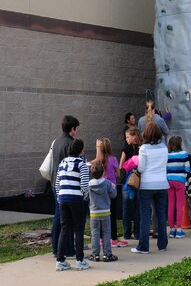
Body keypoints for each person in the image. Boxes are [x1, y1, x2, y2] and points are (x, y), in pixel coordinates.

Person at [131, 122, 169, 254]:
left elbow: (141, 168)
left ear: (145, 134)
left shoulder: (144, 148)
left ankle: (144, 246)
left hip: (147, 185)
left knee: (145, 216)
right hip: (162, 184)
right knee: (161, 215)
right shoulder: (164, 147)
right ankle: (162, 244)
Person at [55, 139, 90, 271]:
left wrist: (59, 197)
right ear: (81, 150)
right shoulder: (82, 164)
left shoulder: (62, 162)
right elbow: (85, 185)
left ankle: (60, 260)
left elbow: (57, 183)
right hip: (76, 199)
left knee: (64, 228)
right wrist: (84, 196)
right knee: (78, 229)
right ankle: (80, 260)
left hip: (63, 198)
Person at [90, 137, 128, 248]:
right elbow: (118, 174)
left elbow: (93, 162)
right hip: (112, 189)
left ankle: (101, 238)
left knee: (101, 213)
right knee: (112, 214)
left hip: (101, 191)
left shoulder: (98, 161)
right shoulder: (113, 159)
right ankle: (113, 238)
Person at [51, 115, 79, 257]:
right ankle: (67, 250)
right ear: (72, 129)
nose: (77, 131)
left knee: (59, 216)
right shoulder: (70, 143)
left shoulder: (56, 141)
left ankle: (56, 248)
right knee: (67, 220)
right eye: (76, 129)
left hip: (56, 181)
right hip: (66, 184)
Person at [88, 162, 118, 262]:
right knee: (106, 233)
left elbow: (86, 197)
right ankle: (107, 254)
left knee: (95, 233)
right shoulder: (107, 183)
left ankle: (95, 254)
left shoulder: (89, 185)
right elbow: (113, 195)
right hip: (105, 212)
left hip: (94, 212)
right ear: (103, 172)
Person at [119, 127, 142, 240]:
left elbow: (121, 165)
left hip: (127, 182)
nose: (126, 139)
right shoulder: (143, 148)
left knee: (127, 208)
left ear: (134, 136)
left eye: (128, 137)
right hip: (140, 181)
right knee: (138, 208)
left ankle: (127, 233)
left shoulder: (126, 148)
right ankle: (137, 233)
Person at [167, 135, 190, 238]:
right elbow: (188, 169)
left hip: (169, 181)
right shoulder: (184, 154)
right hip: (180, 181)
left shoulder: (167, 155)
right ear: (180, 144)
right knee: (179, 206)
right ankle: (179, 230)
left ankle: (172, 230)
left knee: (171, 205)